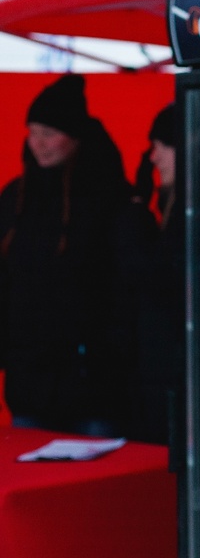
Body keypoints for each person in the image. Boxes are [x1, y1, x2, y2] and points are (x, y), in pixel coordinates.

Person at [0, 74, 154, 437]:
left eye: (49, 133)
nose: (39, 144)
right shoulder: (15, 197)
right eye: (33, 132)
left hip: (95, 385)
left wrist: (111, 355)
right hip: (28, 384)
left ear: (75, 137)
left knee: (97, 487)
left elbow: (127, 287)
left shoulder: (108, 199)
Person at [130, 103, 185, 445]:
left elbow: (152, 276)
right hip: (165, 365)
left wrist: (136, 209)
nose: (154, 157)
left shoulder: (189, 210)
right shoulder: (172, 204)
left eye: (160, 146)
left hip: (174, 365)